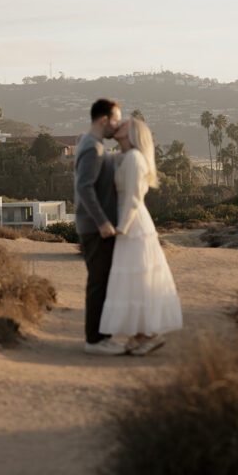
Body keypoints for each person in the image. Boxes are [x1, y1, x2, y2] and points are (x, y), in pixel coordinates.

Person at [99, 117, 183, 355]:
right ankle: (140, 334)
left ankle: (150, 334)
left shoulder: (135, 158)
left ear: (135, 133)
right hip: (129, 223)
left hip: (133, 226)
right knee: (132, 280)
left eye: (125, 123)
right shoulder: (126, 157)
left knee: (138, 279)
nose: (120, 124)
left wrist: (122, 227)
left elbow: (134, 197)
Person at [74, 98, 127, 355]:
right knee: (98, 283)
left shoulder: (93, 145)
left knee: (103, 282)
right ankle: (94, 341)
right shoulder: (92, 148)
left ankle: (102, 337)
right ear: (104, 119)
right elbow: (84, 187)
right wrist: (103, 222)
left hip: (95, 226)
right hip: (95, 228)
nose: (117, 126)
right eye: (116, 120)